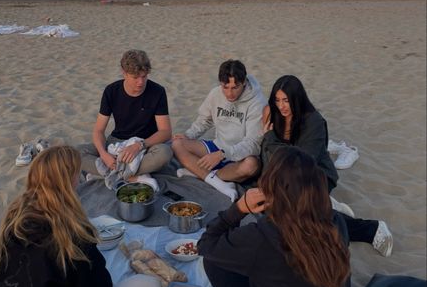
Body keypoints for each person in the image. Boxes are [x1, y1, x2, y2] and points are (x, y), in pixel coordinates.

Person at [198, 146, 354, 287]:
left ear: (271, 188)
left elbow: (206, 245)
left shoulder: (261, 236)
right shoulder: (336, 223)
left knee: (215, 261)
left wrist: (239, 209)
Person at [0, 146, 160, 287]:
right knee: (148, 286)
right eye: (77, 174)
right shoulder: (70, 230)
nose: (80, 178)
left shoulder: (15, 214)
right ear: (69, 182)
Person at [260, 75, 393, 256]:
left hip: (315, 176)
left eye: (286, 100)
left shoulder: (314, 122)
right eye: (277, 100)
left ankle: (372, 229)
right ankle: (327, 207)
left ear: (297, 99)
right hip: (285, 178)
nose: (281, 106)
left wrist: (270, 139)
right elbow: (267, 154)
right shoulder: (275, 116)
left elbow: (300, 163)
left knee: (303, 216)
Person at [171, 59, 265, 201]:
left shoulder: (257, 103)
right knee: (177, 144)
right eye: (225, 87)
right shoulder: (215, 94)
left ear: (244, 82)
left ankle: (200, 174)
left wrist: (223, 154)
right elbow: (205, 120)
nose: (229, 94)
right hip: (217, 146)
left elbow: (253, 144)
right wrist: (187, 135)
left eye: (235, 87)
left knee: (251, 166)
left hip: (241, 156)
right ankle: (215, 179)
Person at [80, 49, 172, 178]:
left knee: (165, 153)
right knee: (75, 153)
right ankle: (126, 172)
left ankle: (113, 172)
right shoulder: (111, 91)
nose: (140, 82)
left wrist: (139, 146)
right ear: (124, 73)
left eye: (144, 76)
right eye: (135, 77)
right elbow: (98, 130)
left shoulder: (157, 91)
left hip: (145, 144)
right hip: (116, 142)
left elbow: (165, 131)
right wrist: (103, 154)